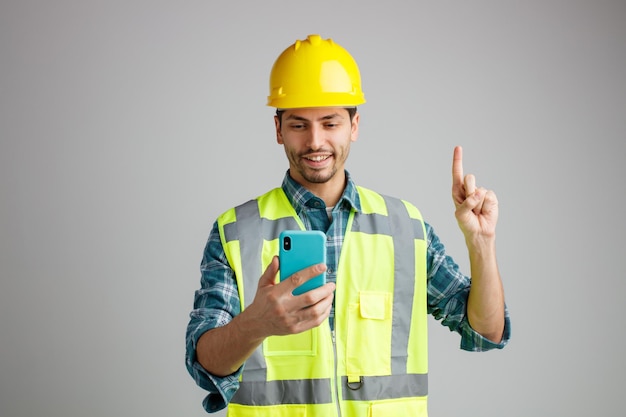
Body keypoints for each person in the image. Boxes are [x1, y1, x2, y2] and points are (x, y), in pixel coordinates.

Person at [186, 34, 510, 416]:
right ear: (278, 130)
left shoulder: (405, 227)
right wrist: (255, 324)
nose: (316, 141)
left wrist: (481, 243)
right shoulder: (236, 232)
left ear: (354, 125)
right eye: (298, 125)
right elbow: (205, 362)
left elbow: (486, 331)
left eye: (330, 122)